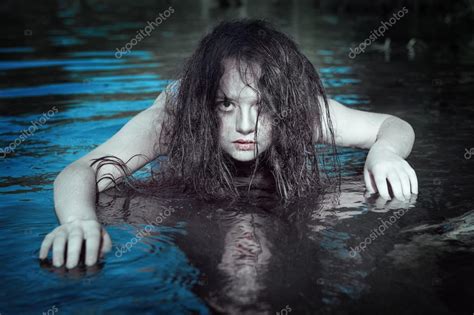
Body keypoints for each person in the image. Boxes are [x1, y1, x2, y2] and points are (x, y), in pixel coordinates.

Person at [39, 19, 418, 269]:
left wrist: (384, 153)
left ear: (281, 104)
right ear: (207, 103)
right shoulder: (175, 116)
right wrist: (78, 222)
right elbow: (82, 170)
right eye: (226, 104)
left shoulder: (298, 109)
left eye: (262, 107)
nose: (245, 126)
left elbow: (390, 125)